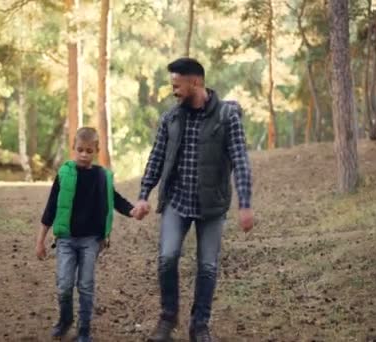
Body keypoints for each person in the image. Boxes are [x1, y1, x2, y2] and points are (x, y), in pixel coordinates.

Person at [135, 58, 254, 342]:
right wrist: (143, 195)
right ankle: (167, 319)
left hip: (212, 205)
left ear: (196, 82)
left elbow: (240, 159)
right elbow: (157, 158)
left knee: (208, 266)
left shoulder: (227, 116)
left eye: (177, 85)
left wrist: (245, 203)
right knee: (167, 257)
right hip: (177, 201)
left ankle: (200, 325)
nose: (173, 90)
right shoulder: (171, 119)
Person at [35, 127, 142, 341]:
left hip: (91, 241)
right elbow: (51, 208)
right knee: (64, 285)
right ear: (73, 149)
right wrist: (40, 241)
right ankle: (65, 320)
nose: (84, 154)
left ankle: (84, 331)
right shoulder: (64, 174)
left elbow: (116, 199)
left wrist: (132, 210)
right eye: (80, 150)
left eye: (89, 150)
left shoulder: (102, 177)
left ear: (97, 151)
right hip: (66, 240)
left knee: (85, 285)